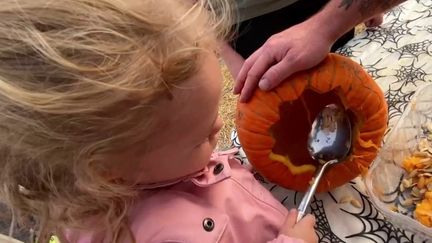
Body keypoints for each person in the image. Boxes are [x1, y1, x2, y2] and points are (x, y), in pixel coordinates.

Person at [0, 0, 318, 242]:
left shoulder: (140, 164)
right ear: (106, 170)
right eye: (202, 138)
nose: (221, 127)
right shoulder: (161, 234)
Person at [221, 0, 403, 102]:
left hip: (323, 4)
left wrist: (361, 7)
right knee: (288, 100)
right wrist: (229, 55)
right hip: (246, 22)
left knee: (347, 84)